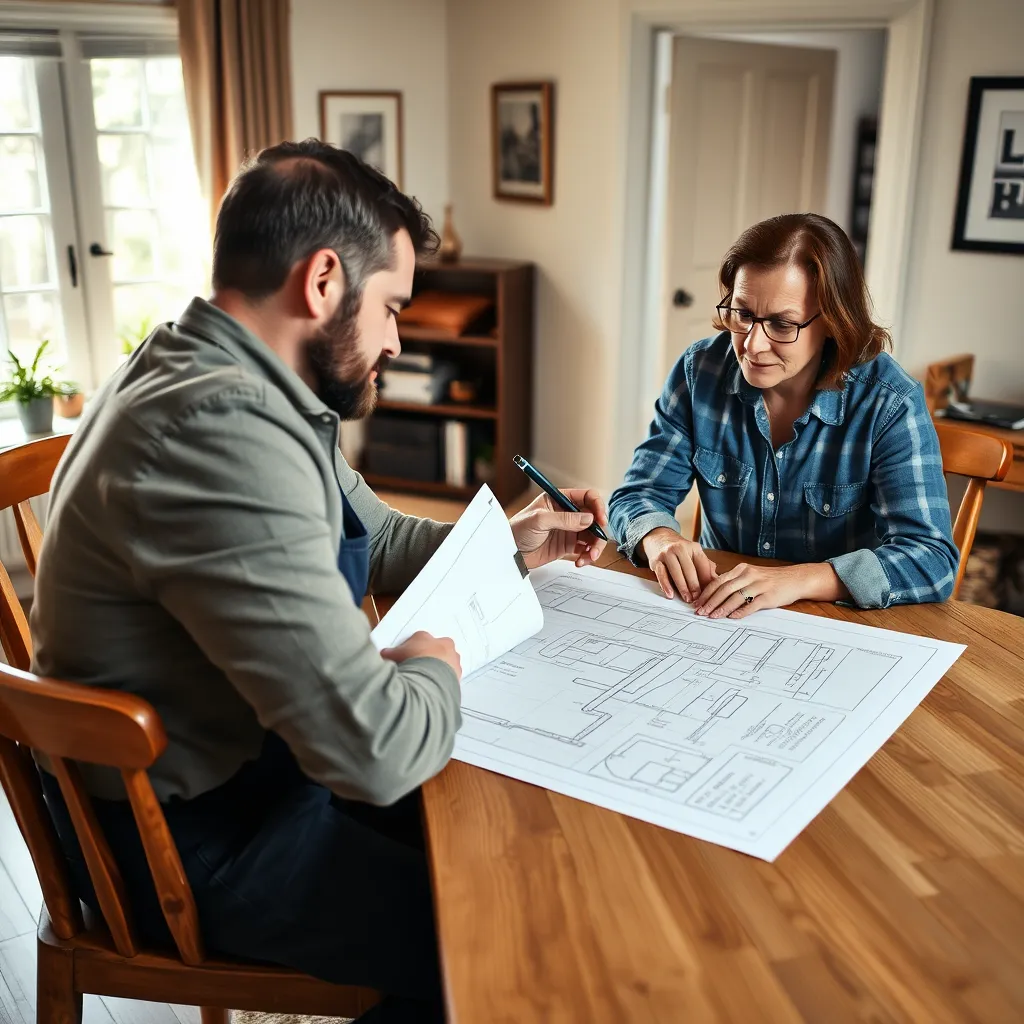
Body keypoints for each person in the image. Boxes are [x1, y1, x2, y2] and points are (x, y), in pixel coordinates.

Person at [31, 140, 609, 1024]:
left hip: (246, 768)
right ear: (324, 280)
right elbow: (374, 751)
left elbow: (369, 536)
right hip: (185, 844)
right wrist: (437, 665)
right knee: (516, 935)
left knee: (515, 839)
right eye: (391, 308)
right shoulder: (220, 432)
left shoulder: (238, 372)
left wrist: (513, 543)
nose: (395, 339)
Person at [609, 212, 958, 619]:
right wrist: (660, 537)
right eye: (742, 314)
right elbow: (638, 494)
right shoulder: (698, 371)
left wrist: (798, 579)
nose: (753, 345)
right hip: (714, 613)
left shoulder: (889, 401)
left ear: (831, 321)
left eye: (781, 324)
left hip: (838, 621)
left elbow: (931, 559)